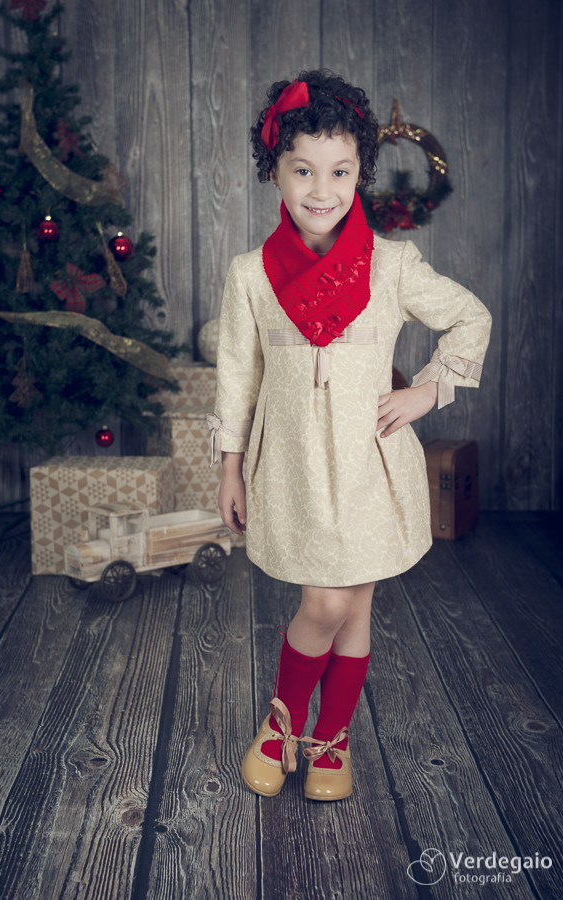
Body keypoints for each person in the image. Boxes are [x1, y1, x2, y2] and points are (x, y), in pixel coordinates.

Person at [206, 70, 491, 802]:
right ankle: (283, 725)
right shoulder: (250, 275)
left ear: (360, 172)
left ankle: (326, 739)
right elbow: (237, 375)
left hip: (369, 462)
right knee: (328, 604)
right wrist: (230, 467)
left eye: (339, 171)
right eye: (302, 170)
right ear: (274, 171)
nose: (321, 189)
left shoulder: (391, 265)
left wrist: (427, 390)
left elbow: (470, 317)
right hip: (293, 464)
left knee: (352, 606)